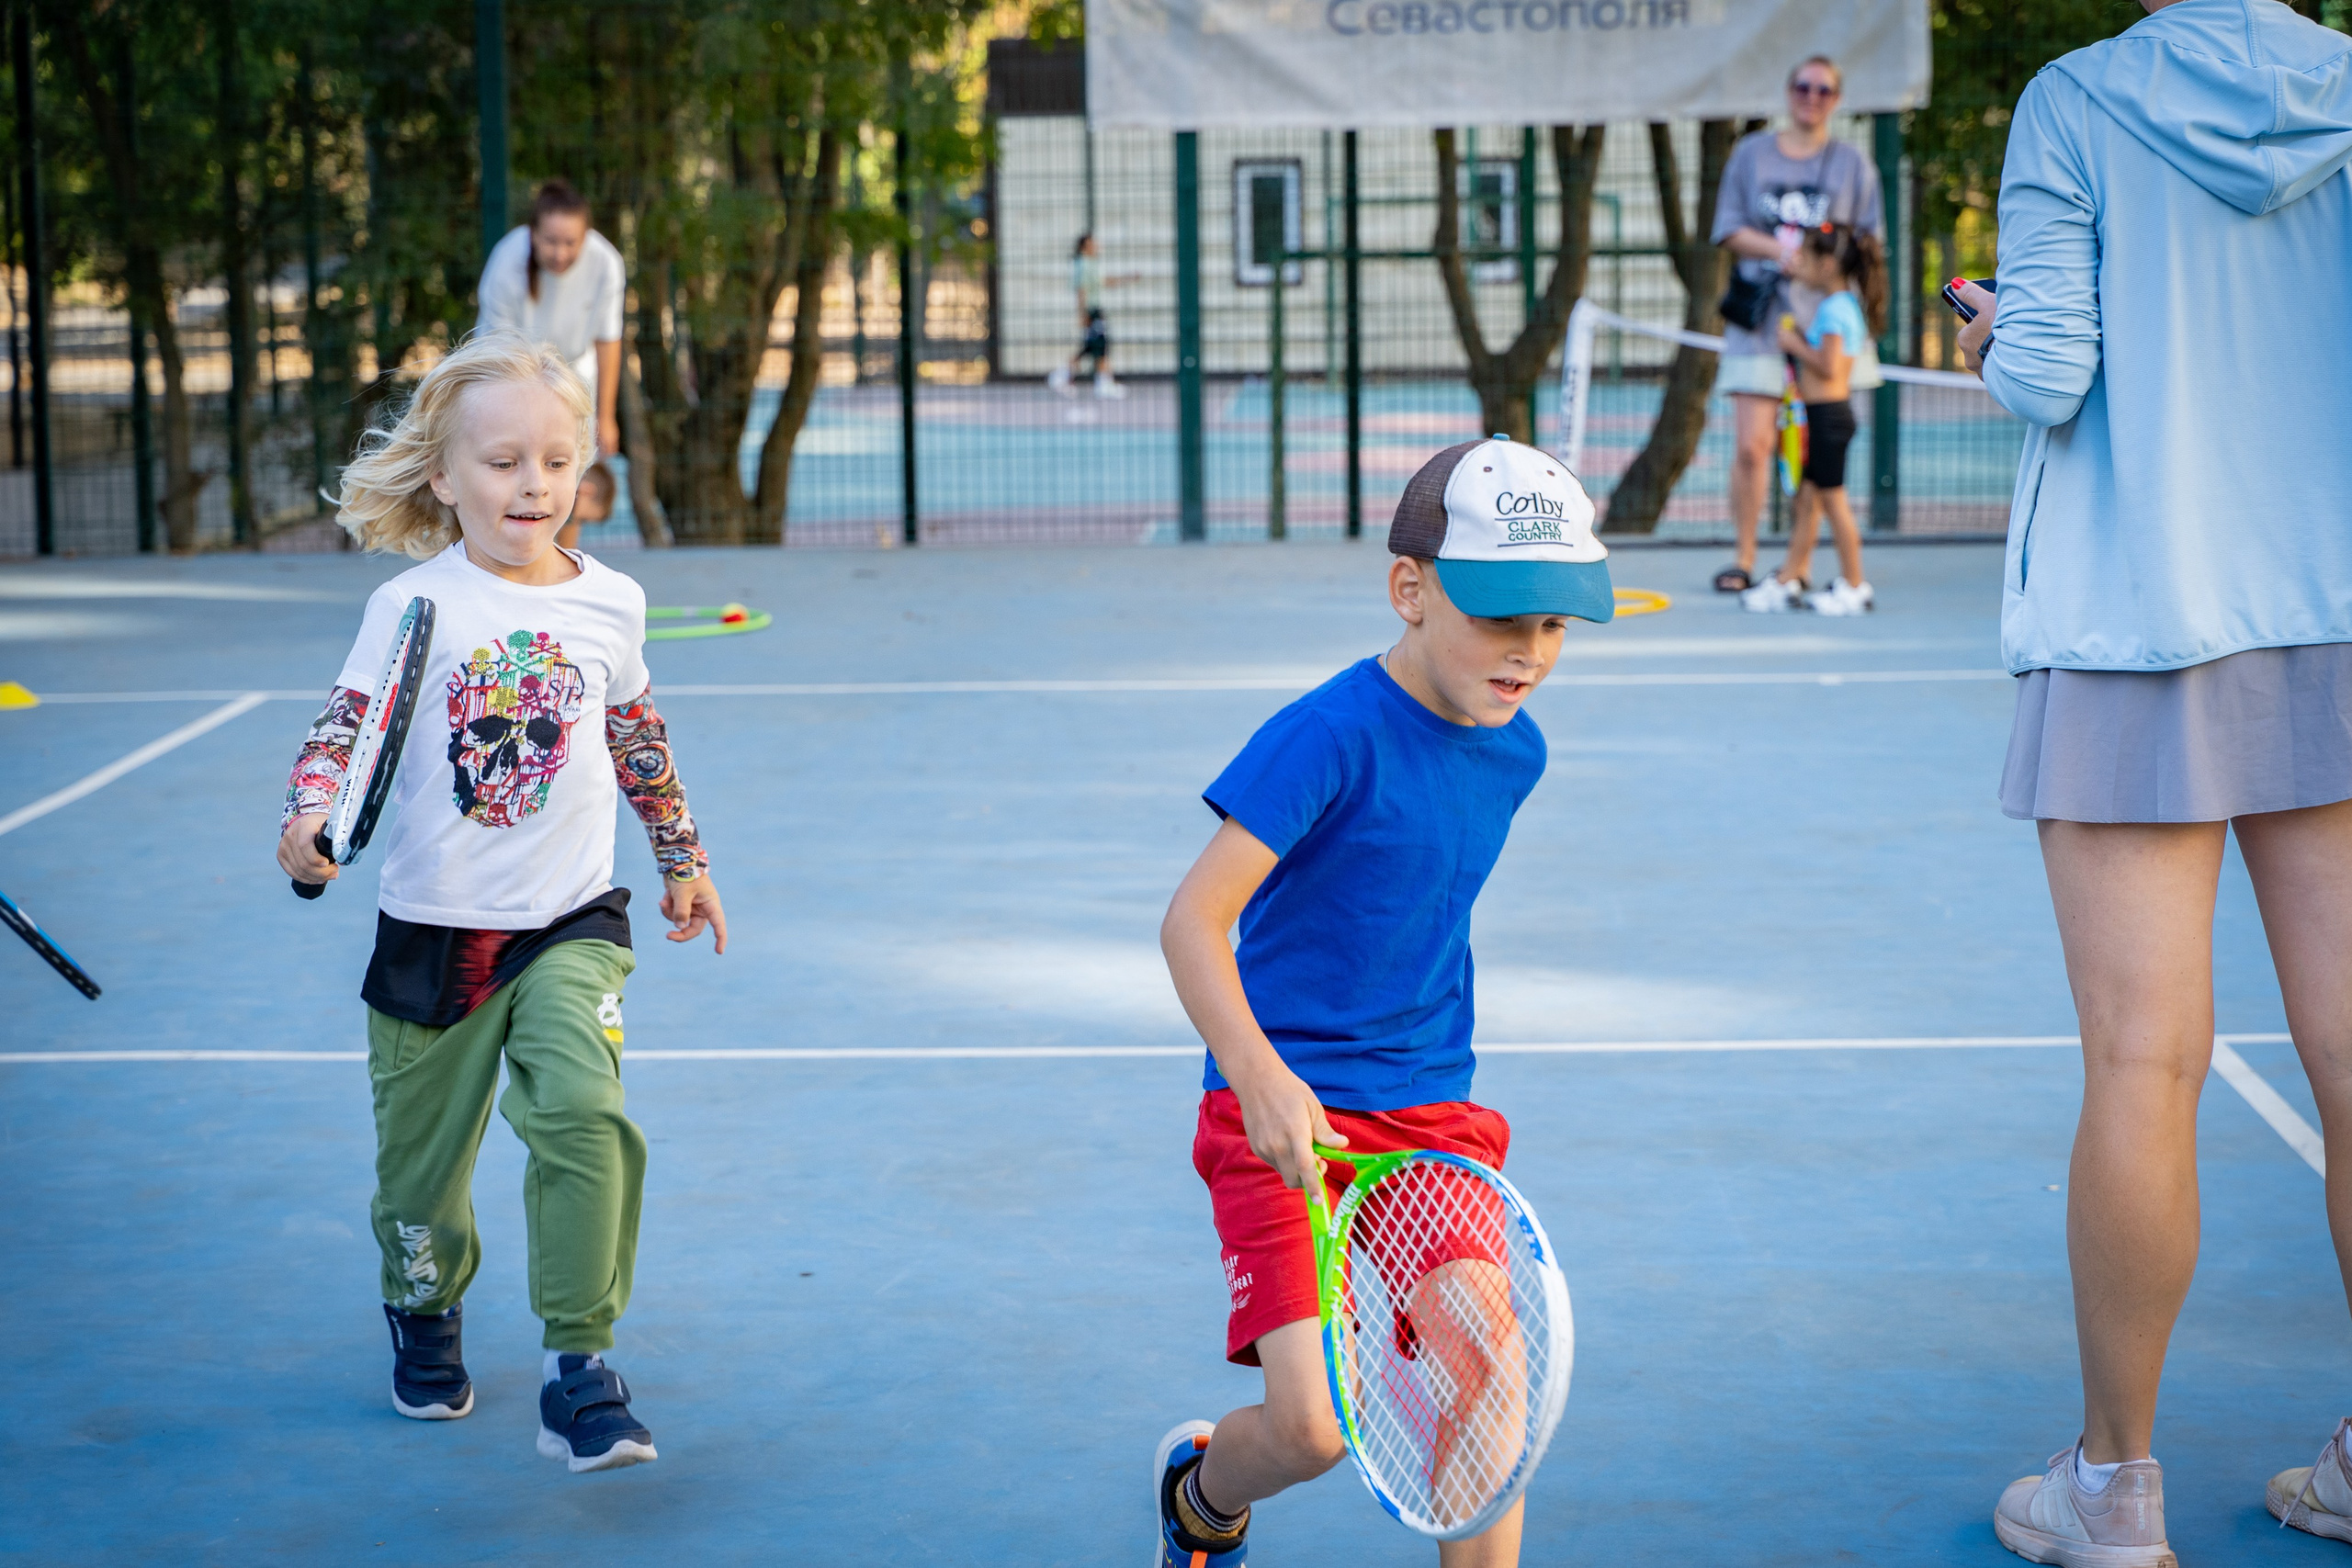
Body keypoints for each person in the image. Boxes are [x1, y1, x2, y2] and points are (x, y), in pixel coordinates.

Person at [1955, 2, 2352, 1562]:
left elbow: (2049, 376)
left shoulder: (2079, 101)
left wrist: (1988, 333)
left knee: (2142, 1066)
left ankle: (2113, 1494)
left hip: (2135, 624)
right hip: (2336, 612)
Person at [1152, 434, 1616, 1568]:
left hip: (1428, 1118)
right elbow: (1190, 924)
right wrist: (1260, 1076)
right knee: (1309, 1431)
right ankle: (1200, 1498)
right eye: (1501, 615)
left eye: (1554, 624)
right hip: (1282, 1110)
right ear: (1409, 590)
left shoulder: (1518, 749)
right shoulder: (1324, 736)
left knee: (1488, 1373)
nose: (1529, 652)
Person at [276, 330, 726, 1474]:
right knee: (420, 1185)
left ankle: (581, 1369)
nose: (534, 485)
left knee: (586, 1120)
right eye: (503, 462)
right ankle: (422, 1309)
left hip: (572, 924)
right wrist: (306, 820)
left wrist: (682, 854)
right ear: (444, 476)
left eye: (556, 461)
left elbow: (635, 733)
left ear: (583, 472)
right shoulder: (411, 606)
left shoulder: (612, 602)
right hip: (433, 936)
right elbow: (345, 731)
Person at [1708, 56, 1883, 594]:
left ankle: (1796, 567)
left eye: (1824, 90)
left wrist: (1822, 268)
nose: (1812, 97)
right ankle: (1744, 556)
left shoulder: (1853, 164)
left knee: (1815, 453)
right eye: (1803, 86)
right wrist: (1780, 248)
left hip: (1823, 330)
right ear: (1788, 92)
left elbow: (1869, 242)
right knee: (1752, 446)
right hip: (1761, 322)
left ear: (1836, 99)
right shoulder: (1750, 155)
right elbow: (1729, 229)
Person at [1741, 223, 1886, 616]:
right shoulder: (1835, 306)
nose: (1798, 259)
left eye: (1806, 253)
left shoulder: (1838, 307)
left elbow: (1830, 366)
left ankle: (1855, 584)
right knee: (1807, 503)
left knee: (1834, 503)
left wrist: (1794, 345)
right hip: (1820, 417)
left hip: (1829, 419)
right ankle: (1789, 578)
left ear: (1827, 264)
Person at [479, 180, 627, 462]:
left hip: (574, 374)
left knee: (574, 463)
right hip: (508, 374)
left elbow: (608, 340)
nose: (560, 254)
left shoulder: (606, 263)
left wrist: (606, 416)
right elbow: (499, 351)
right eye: (550, 241)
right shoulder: (506, 261)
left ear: (586, 235)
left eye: (570, 242)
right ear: (533, 234)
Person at [1047, 232, 1131, 400]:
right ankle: (1103, 383)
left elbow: (1103, 282)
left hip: (1094, 309)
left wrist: (1126, 279)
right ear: (1084, 246)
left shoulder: (1090, 264)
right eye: (1092, 243)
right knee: (1100, 345)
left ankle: (1061, 375)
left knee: (1091, 346)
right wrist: (1083, 313)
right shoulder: (1083, 264)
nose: (1096, 246)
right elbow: (1081, 290)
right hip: (1091, 310)